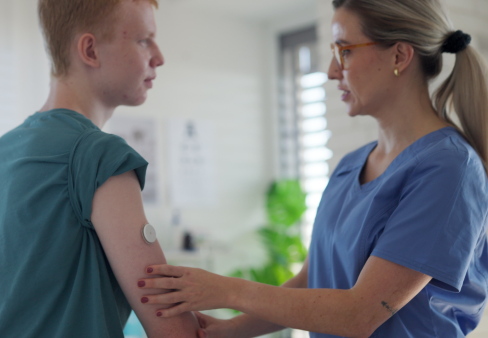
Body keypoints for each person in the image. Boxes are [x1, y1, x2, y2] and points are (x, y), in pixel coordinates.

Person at [138, 0, 488, 337]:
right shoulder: (351, 165)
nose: (332, 70)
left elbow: (360, 313)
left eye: (345, 50)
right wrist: (230, 331)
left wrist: (225, 291)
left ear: (399, 55)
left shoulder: (449, 169)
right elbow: (312, 280)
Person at [0, 0, 201, 337]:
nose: (159, 56)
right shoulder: (99, 156)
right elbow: (177, 333)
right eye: (144, 40)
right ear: (90, 50)